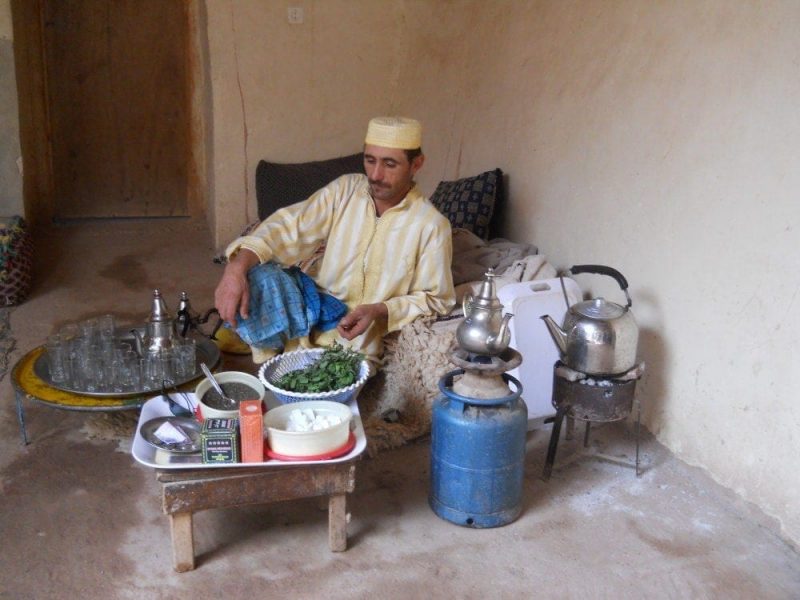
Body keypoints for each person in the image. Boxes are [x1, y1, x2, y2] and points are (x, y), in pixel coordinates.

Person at [214, 116, 456, 363]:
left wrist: (379, 310)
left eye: (390, 164)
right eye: (369, 160)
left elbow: (436, 300)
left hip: (362, 336)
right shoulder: (346, 190)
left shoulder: (431, 225)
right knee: (257, 274)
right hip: (317, 309)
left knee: (325, 389)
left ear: (416, 164)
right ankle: (270, 351)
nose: (375, 174)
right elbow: (288, 227)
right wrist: (235, 268)